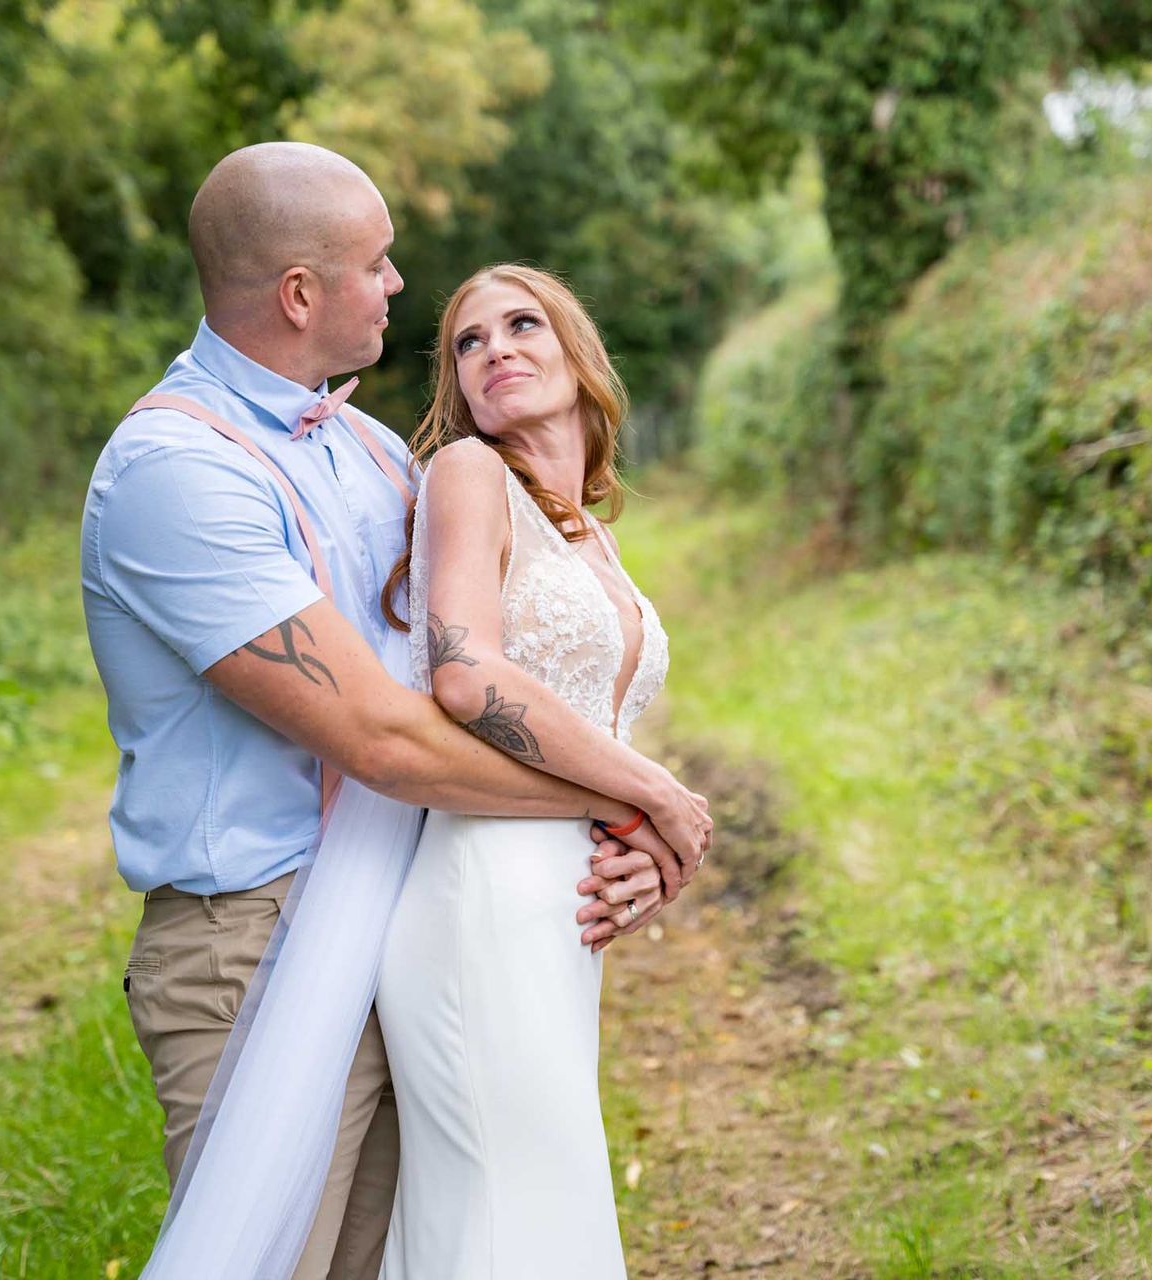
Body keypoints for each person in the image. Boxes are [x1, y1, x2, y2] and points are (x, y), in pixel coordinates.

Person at [78, 142, 707, 1280]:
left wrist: (620, 823)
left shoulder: (370, 451)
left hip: (410, 896)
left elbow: (505, 650)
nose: (401, 286)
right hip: (253, 936)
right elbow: (384, 731)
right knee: (288, 1260)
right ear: (301, 294)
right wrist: (633, 800)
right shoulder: (177, 471)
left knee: (441, 1241)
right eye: (378, 263)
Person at [374, 264, 684, 1278]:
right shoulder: (470, 472)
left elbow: (589, 719)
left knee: (543, 1205)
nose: (496, 347)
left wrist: (638, 846)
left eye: (521, 323)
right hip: (482, 894)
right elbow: (466, 675)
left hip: (560, 908)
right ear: (456, 385)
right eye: (469, 341)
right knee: (509, 1218)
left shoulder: (589, 531)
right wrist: (654, 797)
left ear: (575, 350)